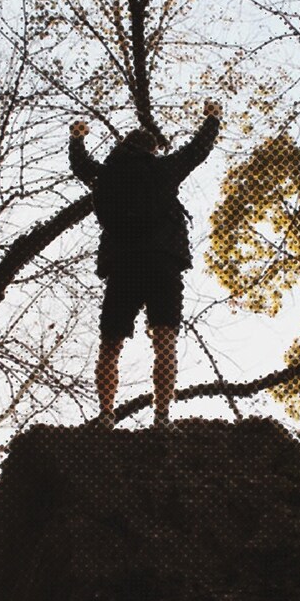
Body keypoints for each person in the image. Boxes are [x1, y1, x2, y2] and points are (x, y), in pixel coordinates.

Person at [69, 100, 222, 427]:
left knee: (111, 342)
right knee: (164, 338)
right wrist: (212, 119)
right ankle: (163, 415)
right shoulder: (161, 169)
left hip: (122, 264)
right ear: (152, 149)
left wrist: (77, 137)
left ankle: (106, 414)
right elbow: (197, 150)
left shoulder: (106, 174)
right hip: (162, 262)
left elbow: (81, 165)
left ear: (123, 147)